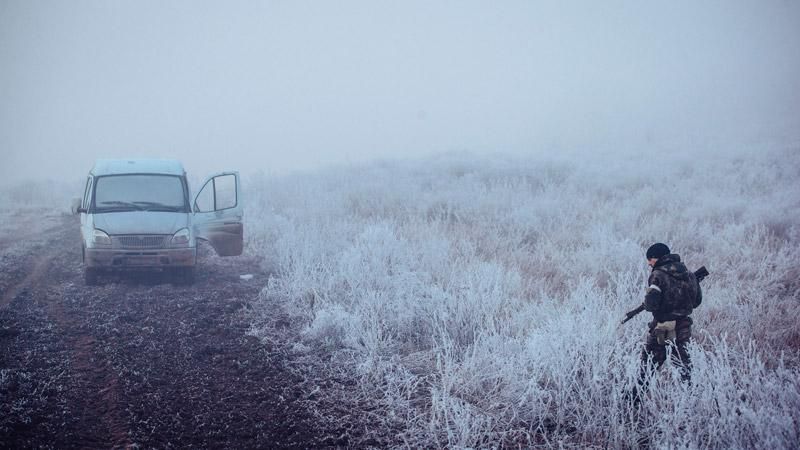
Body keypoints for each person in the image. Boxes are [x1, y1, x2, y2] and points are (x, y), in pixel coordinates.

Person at [640, 243, 702, 383]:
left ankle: (635, 396)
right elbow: (697, 302)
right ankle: (690, 395)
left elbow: (651, 305)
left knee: (647, 368)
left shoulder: (657, 275)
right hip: (683, 328)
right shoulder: (689, 274)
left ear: (657, 258)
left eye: (650, 259)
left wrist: (649, 299)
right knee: (685, 370)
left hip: (662, 328)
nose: (649, 263)